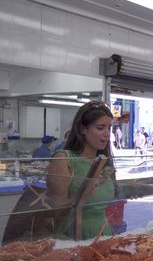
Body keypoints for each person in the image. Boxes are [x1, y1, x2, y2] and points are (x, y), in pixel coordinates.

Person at [46, 101, 116, 239]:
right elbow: (56, 211)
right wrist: (80, 197)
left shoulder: (103, 162)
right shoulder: (64, 159)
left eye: (109, 128)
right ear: (83, 129)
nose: (107, 134)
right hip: (73, 235)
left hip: (103, 234)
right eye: (101, 128)